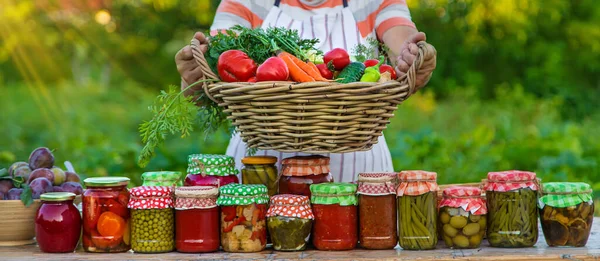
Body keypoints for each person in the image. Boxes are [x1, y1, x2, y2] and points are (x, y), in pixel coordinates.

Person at [175, 0, 436, 182]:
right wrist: (193, 77)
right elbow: (216, 63)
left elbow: (401, 41)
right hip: (261, 177)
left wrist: (412, 58)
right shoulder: (247, 1)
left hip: (359, 175)